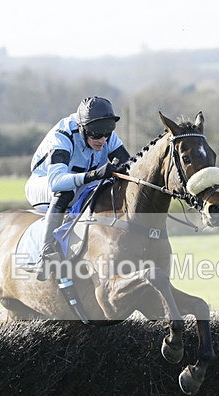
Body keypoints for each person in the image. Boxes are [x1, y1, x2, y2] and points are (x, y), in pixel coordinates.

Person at [24, 96, 130, 280]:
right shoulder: (61, 137)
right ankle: (46, 253)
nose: (102, 139)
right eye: (96, 134)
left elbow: (129, 165)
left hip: (80, 182)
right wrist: (95, 174)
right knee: (66, 191)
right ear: (82, 128)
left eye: (107, 133)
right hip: (44, 183)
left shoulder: (105, 133)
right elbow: (56, 182)